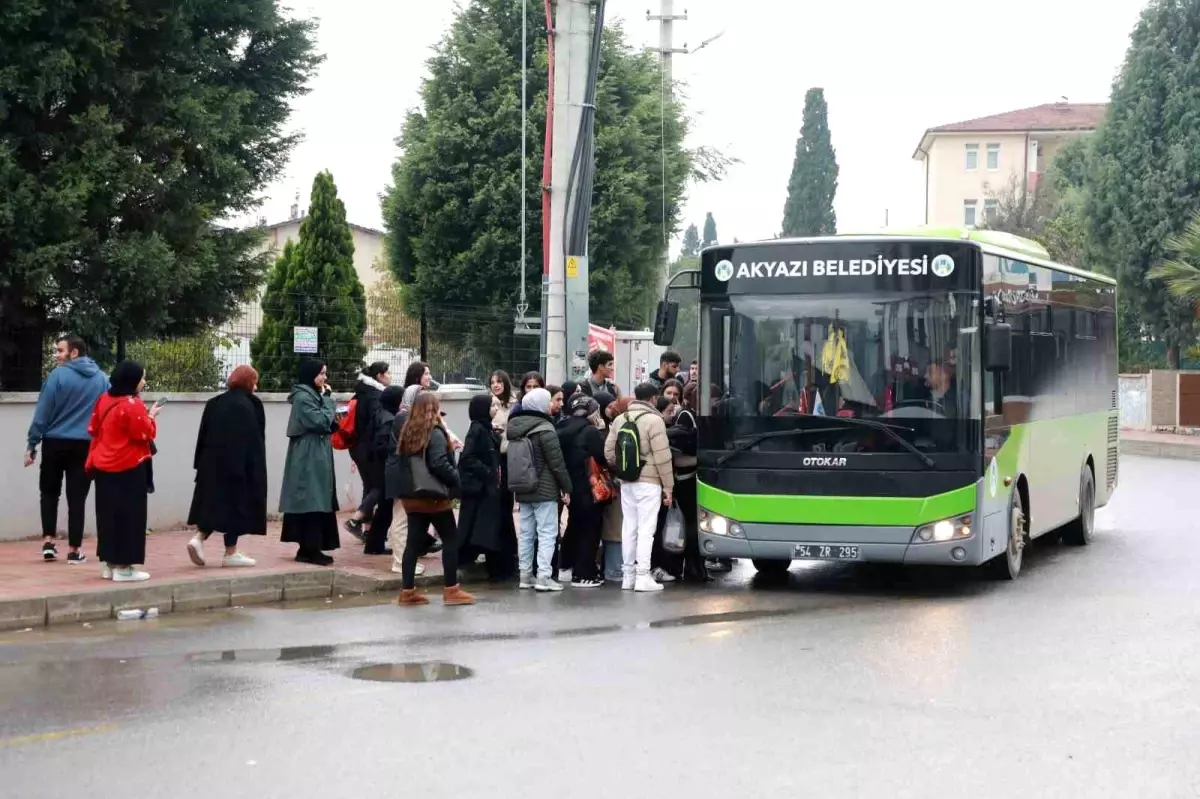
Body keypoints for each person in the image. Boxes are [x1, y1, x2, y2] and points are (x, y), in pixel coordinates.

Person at [25, 334, 109, 563]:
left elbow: (43, 412)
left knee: (49, 493)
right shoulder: (102, 379)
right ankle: (74, 550)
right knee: (77, 498)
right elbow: (107, 411)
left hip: (54, 443)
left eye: (60, 351)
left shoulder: (57, 376)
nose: (57, 356)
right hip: (85, 444)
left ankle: (49, 542)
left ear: (74, 352)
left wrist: (32, 443)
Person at [395, 392, 474, 606]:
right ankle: (451, 590)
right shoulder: (435, 432)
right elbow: (439, 463)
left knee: (412, 544)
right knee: (450, 539)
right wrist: (456, 479)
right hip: (434, 497)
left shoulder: (409, 430)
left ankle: (407, 591)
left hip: (412, 497)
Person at [186, 364, 266, 568]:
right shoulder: (250, 405)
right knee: (237, 507)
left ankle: (198, 538)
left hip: (210, 465)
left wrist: (199, 465)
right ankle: (230, 552)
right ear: (249, 382)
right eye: (255, 381)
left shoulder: (215, 402)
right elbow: (254, 441)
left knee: (213, 504)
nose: (256, 386)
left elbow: (202, 435)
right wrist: (255, 471)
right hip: (238, 466)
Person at [86, 360, 159, 582]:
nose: (144, 382)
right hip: (128, 467)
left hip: (103, 467)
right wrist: (152, 416)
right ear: (132, 380)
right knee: (130, 517)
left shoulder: (104, 399)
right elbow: (145, 434)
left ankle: (109, 564)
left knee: (107, 516)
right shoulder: (132, 404)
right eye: (142, 378)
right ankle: (124, 567)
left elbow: (94, 428)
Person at [605, 382, 674, 592]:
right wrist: (668, 487)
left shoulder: (620, 419)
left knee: (629, 528)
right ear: (653, 399)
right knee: (646, 530)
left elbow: (609, 452)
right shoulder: (655, 421)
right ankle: (643, 576)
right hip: (650, 482)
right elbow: (663, 457)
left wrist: (624, 469)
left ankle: (628, 576)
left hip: (627, 482)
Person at [506, 387, 573, 592]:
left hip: (523, 487)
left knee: (526, 533)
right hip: (545, 489)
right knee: (547, 533)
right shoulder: (545, 428)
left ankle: (525, 576)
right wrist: (567, 487)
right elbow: (557, 462)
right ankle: (544, 576)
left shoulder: (516, 427)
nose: (552, 404)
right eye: (549, 401)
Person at [279, 360, 340, 566]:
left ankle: (310, 548)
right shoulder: (304, 397)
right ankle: (309, 549)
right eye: (321, 374)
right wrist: (329, 402)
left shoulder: (312, 395)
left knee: (317, 499)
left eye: (325, 373)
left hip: (315, 452)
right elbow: (321, 421)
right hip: (308, 455)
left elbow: (329, 423)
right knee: (311, 499)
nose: (324, 378)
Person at [557, 395, 610, 588]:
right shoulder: (590, 432)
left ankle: (565, 565)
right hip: (589, 486)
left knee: (574, 525)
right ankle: (583, 573)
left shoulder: (561, 428)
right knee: (590, 529)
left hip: (569, 486)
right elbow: (602, 458)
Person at [345, 362, 392, 550]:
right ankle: (355, 521)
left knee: (370, 485)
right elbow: (376, 423)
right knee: (380, 486)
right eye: (387, 373)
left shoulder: (361, 392)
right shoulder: (376, 396)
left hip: (357, 446)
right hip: (369, 448)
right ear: (380, 376)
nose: (390, 376)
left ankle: (367, 530)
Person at [457, 394, 504, 577]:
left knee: (481, 526)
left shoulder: (486, 428)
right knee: (475, 525)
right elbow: (468, 458)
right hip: (480, 488)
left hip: (486, 488)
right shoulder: (477, 429)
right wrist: (488, 472)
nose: (495, 409)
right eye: (492, 406)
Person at [384, 385, 425, 576]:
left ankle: (403, 560)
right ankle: (400, 562)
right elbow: (412, 443)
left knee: (403, 518)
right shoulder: (403, 417)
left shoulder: (407, 417)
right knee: (401, 519)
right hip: (401, 474)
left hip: (403, 473)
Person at [367, 384, 406, 572]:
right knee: (386, 508)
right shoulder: (389, 420)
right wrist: (396, 449)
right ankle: (374, 543)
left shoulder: (381, 414)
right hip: (385, 468)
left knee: (384, 507)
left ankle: (374, 544)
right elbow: (381, 445)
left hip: (379, 468)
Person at [488, 370, 518, 580]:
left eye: (499, 382)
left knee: (507, 500)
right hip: (495, 455)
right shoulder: (489, 404)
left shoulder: (514, 404)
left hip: (510, 453)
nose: (496, 385)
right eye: (492, 382)